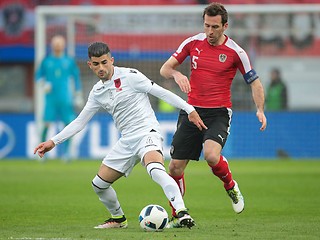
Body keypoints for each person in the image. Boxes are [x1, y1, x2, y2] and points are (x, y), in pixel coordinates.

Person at [34, 42, 207, 229]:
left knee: (156, 170)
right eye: (96, 64)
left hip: (147, 132)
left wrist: (189, 109)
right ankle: (118, 219)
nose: (101, 67)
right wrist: (53, 141)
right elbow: (80, 122)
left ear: (111, 60)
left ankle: (182, 213)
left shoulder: (130, 76)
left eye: (104, 62)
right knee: (99, 185)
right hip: (126, 141)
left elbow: (161, 92)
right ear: (89, 65)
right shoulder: (97, 92)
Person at [160, 2, 267, 228]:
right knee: (175, 168)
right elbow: (165, 69)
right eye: (207, 25)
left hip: (218, 112)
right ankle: (179, 215)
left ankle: (231, 186)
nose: (209, 31)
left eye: (214, 27)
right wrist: (177, 75)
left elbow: (254, 82)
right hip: (191, 111)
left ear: (225, 26)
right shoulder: (192, 42)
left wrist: (259, 109)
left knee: (211, 156)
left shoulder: (236, 52)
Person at [35, 35, 83, 160]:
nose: (57, 46)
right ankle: (41, 152)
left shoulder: (69, 61)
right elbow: (38, 76)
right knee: (46, 123)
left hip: (65, 98)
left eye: (59, 43)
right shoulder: (47, 61)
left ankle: (66, 154)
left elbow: (76, 77)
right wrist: (43, 83)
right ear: (52, 45)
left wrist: (78, 94)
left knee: (67, 124)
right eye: (55, 43)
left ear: (63, 45)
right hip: (50, 98)